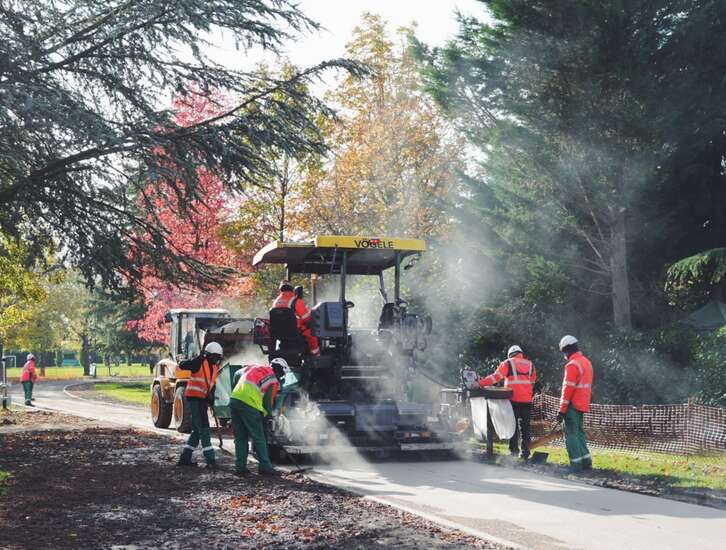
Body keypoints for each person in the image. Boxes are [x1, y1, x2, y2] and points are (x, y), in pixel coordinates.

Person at [229, 358, 287, 476]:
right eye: (282, 374)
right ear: (280, 370)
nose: (280, 378)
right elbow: (267, 402)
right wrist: (268, 416)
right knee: (259, 437)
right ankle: (265, 467)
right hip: (249, 405)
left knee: (241, 437)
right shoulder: (272, 378)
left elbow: (236, 374)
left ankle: (240, 468)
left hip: (234, 401)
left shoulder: (255, 367)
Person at [478, 345, 536, 459]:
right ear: (521, 353)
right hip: (527, 401)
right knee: (525, 427)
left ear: (510, 354)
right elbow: (532, 382)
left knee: (512, 426)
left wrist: (480, 384)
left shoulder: (508, 363)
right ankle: (525, 453)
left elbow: (495, 378)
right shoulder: (530, 365)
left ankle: (513, 451)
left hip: (513, 399)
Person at [177, 341, 223, 469]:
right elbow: (183, 365)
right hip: (194, 398)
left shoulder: (214, 368)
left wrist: (211, 399)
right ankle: (210, 459)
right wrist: (198, 358)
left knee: (197, 431)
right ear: (208, 355)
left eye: (218, 357)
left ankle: (185, 458)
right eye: (215, 357)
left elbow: (212, 386)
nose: (217, 360)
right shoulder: (199, 363)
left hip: (202, 400)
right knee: (204, 428)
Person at [556, 335, 593, 472]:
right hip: (583, 404)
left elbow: (568, 389)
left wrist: (561, 410)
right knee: (579, 433)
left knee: (571, 434)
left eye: (564, 352)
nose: (564, 355)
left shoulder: (572, 365)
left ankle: (576, 465)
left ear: (567, 350)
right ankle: (586, 462)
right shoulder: (586, 362)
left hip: (572, 405)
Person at [272, 281, 320, 356]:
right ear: (291, 289)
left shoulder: (275, 302)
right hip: (295, 331)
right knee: (312, 333)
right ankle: (316, 355)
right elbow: (306, 318)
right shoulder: (296, 301)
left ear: (281, 289)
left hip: (279, 333)